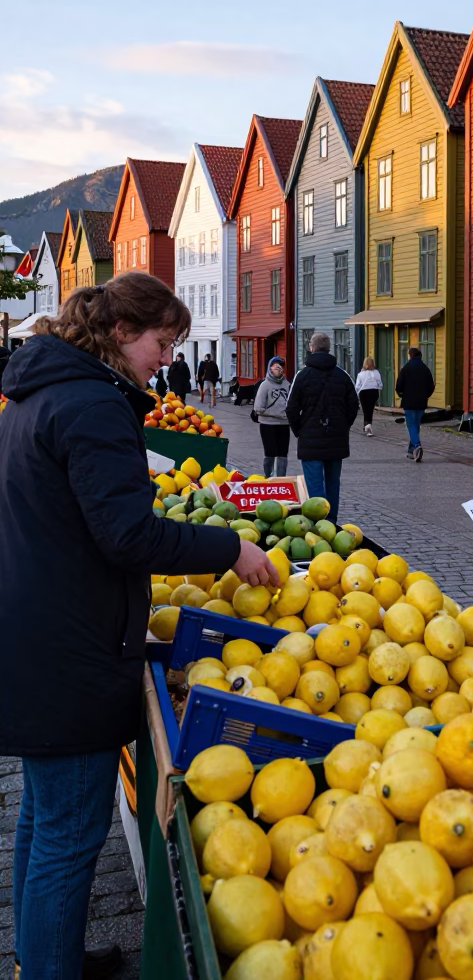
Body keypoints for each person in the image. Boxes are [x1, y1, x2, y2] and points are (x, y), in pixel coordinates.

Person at [0, 274, 278, 980]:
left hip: (38, 629)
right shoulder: (92, 403)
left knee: (44, 817)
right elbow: (126, 534)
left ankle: (43, 954)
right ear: (122, 333)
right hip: (67, 646)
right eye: (164, 341)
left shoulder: (39, 391)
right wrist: (230, 548)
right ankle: (49, 966)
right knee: (68, 833)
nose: (167, 357)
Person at [286, 332, 358, 523]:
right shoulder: (342, 375)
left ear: (312, 348)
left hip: (310, 438)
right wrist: (343, 426)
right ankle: (331, 520)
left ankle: (319, 521)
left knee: (314, 484)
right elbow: (354, 405)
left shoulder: (302, 375)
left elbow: (291, 408)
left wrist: (300, 431)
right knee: (333, 483)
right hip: (337, 438)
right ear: (329, 349)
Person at [253, 355, 291, 477]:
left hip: (284, 425)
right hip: (267, 424)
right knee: (270, 452)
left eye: (281, 367)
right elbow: (258, 408)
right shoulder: (265, 385)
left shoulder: (287, 385)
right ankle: (268, 477)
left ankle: (281, 479)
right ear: (270, 368)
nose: (279, 369)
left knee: (283, 453)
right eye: (276, 367)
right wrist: (278, 414)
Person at [395, 346, 434, 461]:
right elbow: (431, 386)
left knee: (411, 425)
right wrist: (425, 396)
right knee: (416, 425)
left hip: (409, 401)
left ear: (410, 355)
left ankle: (417, 446)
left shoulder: (406, 368)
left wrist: (402, 395)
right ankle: (412, 452)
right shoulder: (425, 369)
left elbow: (399, 386)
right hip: (421, 402)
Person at [355, 356, 383, 436]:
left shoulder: (360, 374)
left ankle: (368, 427)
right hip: (374, 392)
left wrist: (357, 394)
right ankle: (367, 426)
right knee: (370, 410)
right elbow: (380, 383)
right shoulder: (376, 372)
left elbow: (357, 386)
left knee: (365, 410)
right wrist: (378, 388)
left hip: (363, 393)